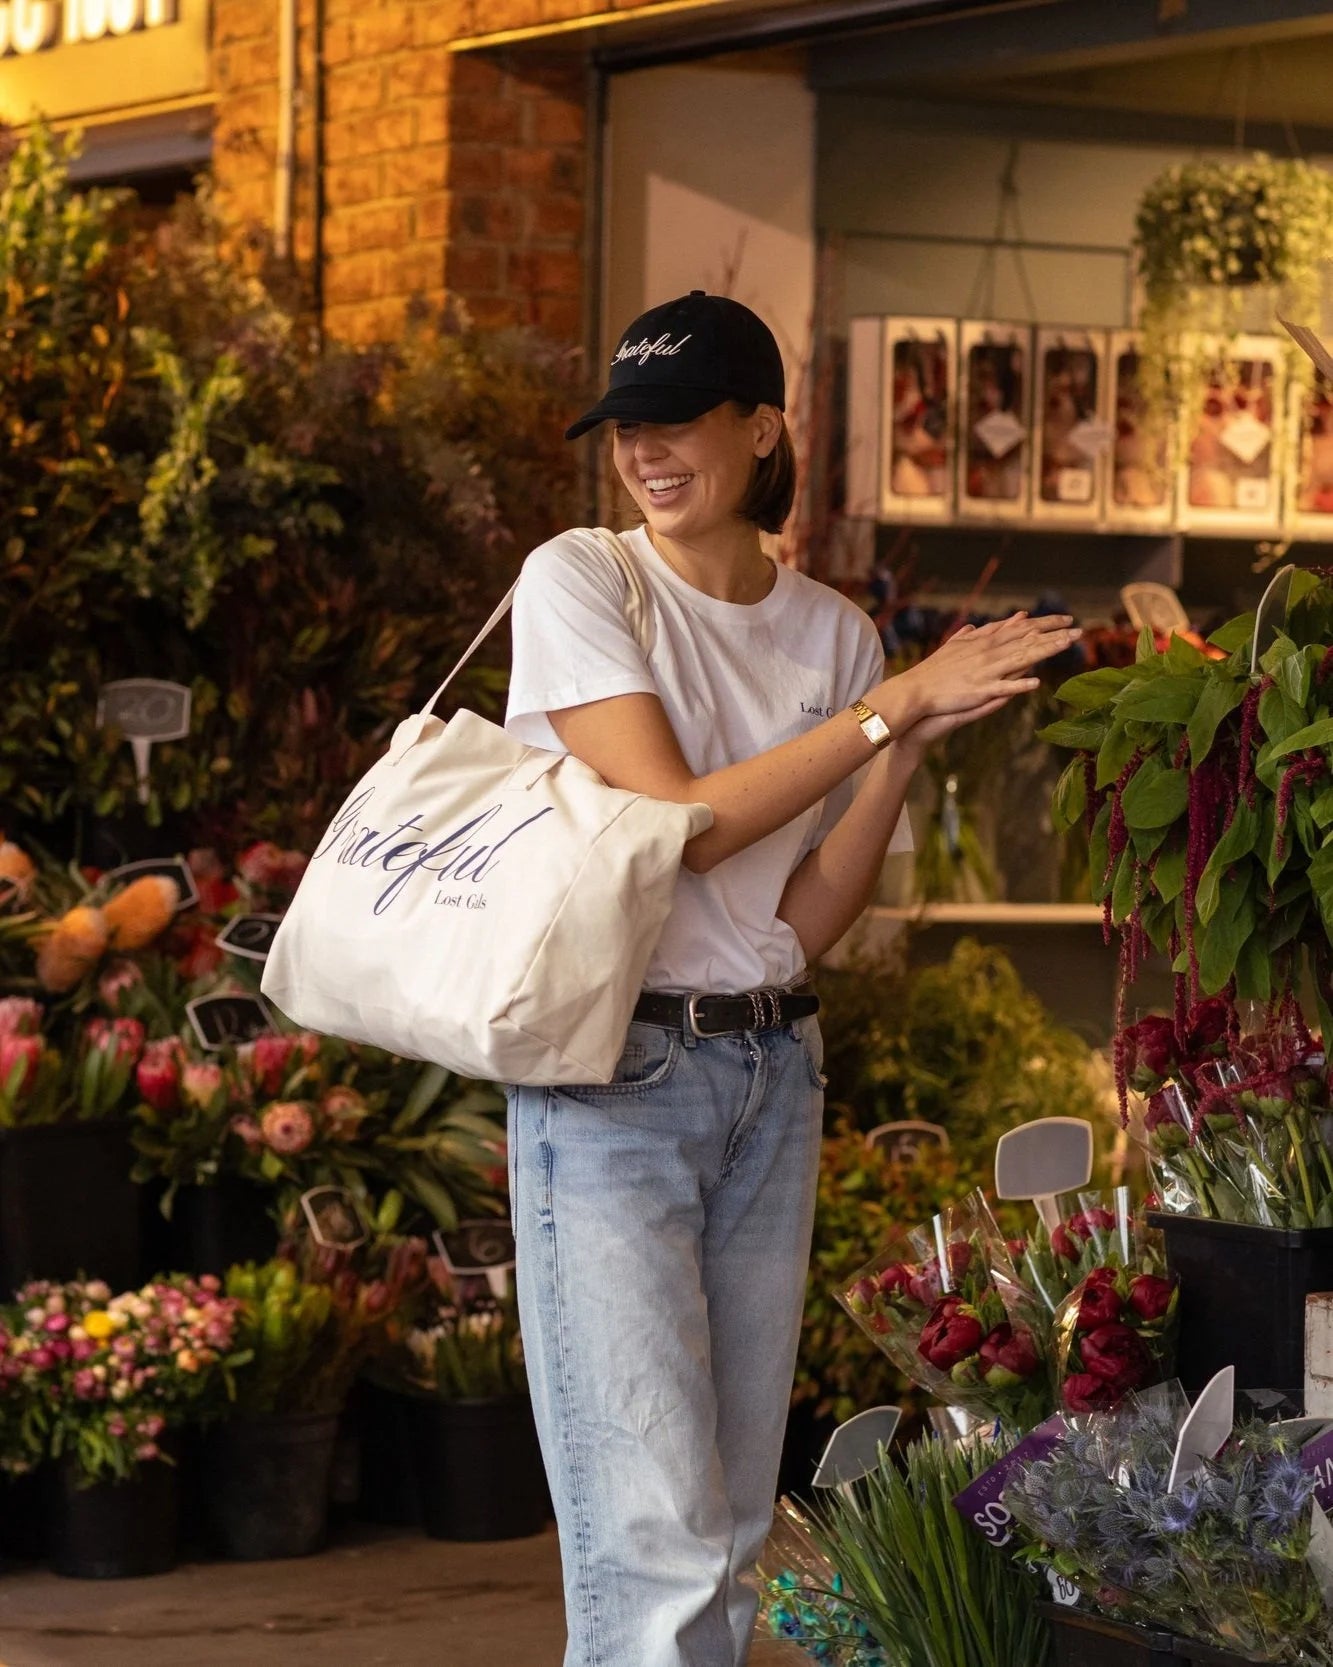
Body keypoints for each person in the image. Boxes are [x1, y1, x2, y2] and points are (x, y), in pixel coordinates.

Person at [503, 290, 1080, 1667]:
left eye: (676, 422)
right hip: (612, 1085)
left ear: (759, 428)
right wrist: (890, 707)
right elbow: (679, 824)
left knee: (726, 1527)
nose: (644, 452)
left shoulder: (830, 635)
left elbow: (801, 920)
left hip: (769, 1069)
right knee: (645, 1534)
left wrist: (900, 745)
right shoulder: (585, 579)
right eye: (625, 428)